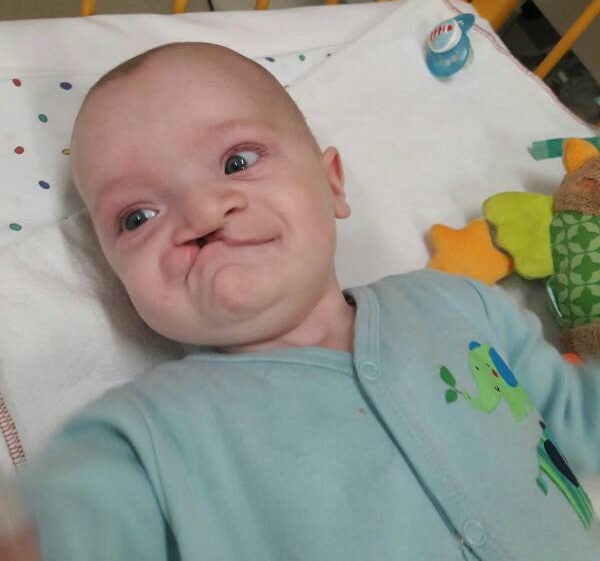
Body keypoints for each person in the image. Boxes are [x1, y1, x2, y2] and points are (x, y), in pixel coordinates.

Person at [2, 41, 600, 560]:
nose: (201, 214)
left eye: (237, 162)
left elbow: (576, 414)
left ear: (332, 182)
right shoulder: (143, 433)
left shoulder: (460, 304)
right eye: (137, 217)